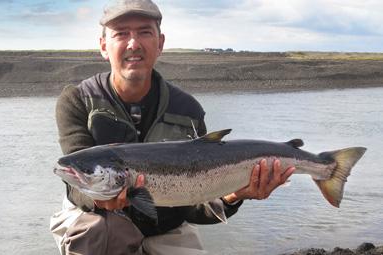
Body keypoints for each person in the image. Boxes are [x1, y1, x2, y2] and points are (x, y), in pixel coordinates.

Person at [50, 0, 295, 254]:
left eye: (144, 32)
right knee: (104, 232)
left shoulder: (188, 110)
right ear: (103, 46)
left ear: (160, 43)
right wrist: (100, 199)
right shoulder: (77, 100)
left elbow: (192, 206)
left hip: (165, 229)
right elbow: (77, 188)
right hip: (96, 223)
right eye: (121, 34)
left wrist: (235, 195)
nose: (133, 43)